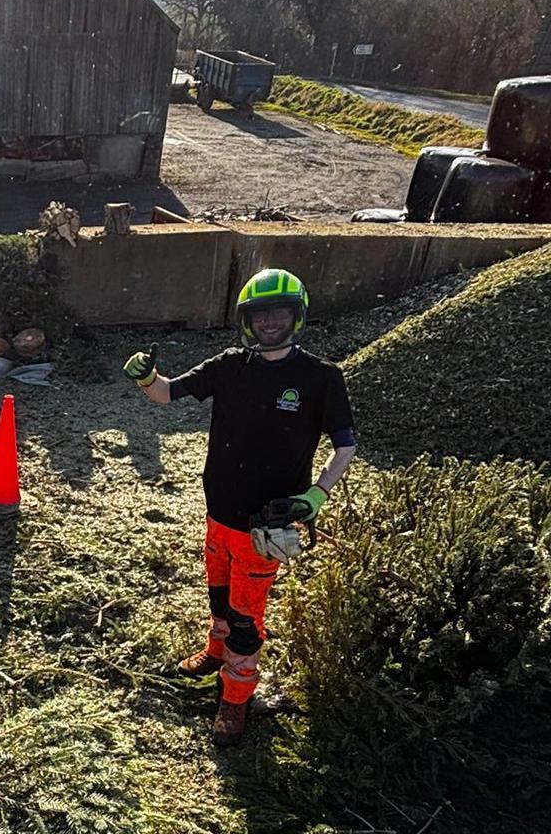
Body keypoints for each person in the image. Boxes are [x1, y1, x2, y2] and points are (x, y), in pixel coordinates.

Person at [123, 268, 357, 746]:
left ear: (297, 316)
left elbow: (346, 446)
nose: (270, 322)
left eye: (279, 313)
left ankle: (235, 703)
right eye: (259, 314)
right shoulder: (229, 365)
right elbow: (167, 393)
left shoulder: (321, 378)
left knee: (247, 622)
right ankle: (214, 652)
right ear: (246, 320)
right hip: (218, 513)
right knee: (219, 599)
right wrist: (146, 377)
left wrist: (317, 494)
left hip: (266, 526)